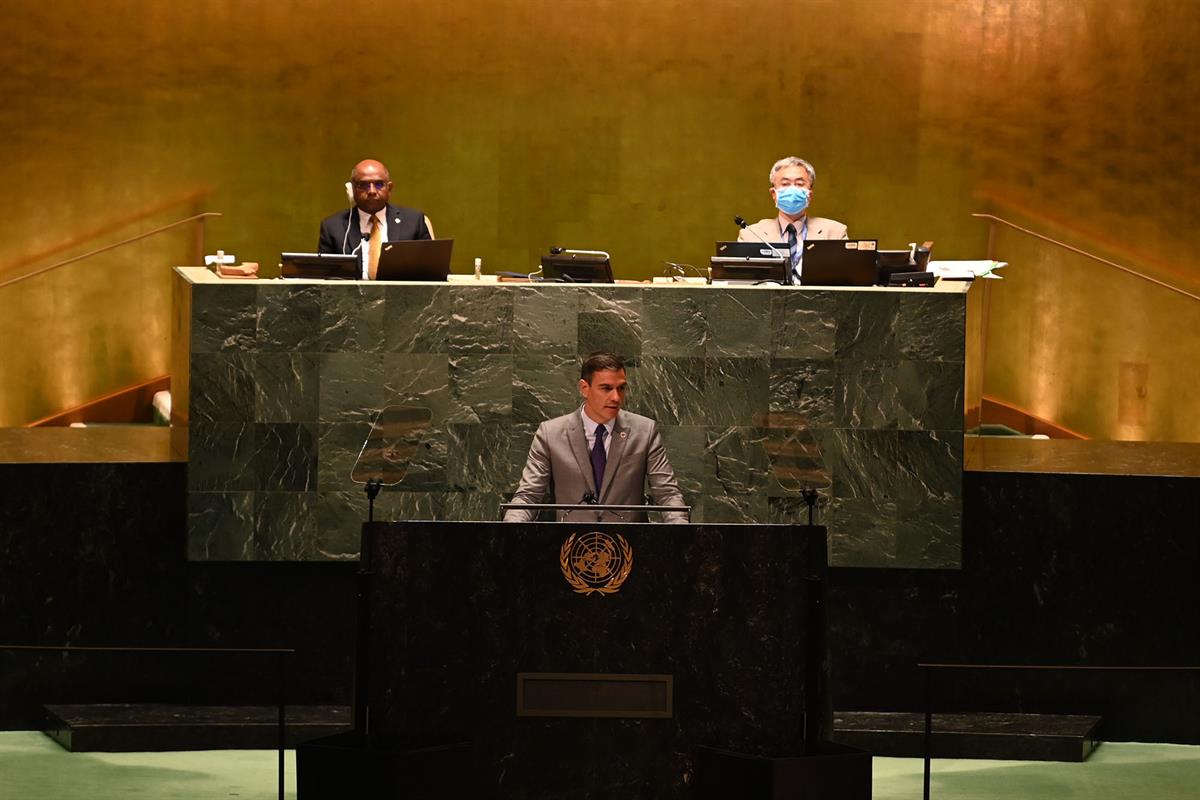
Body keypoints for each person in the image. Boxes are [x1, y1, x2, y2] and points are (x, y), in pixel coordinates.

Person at [503, 352, 689, 524]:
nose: (616, 397)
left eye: (621, 388)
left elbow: (667, 494)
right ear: (585, 388)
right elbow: (529, 496)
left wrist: (681, 532)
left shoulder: (645, 431)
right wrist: (509, 531)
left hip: (629, 549)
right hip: (570, 549)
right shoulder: (550, 434)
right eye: (606, 388)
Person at [317, 159, 432, 279]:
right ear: (352, 190)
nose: (371, 191)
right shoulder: (332, 227)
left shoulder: (414, 221)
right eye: (363, 185)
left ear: (390, 188)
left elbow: (433, 272)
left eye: (379, 184)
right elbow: (324, 280)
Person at [738, 156, 848, 282]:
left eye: (799, 184)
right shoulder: (751, 235)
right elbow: (742, 285)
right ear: (774, 194)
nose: (792, 190)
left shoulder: (835, 233)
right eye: (785, 184)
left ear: (810, 195)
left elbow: (846, 282)